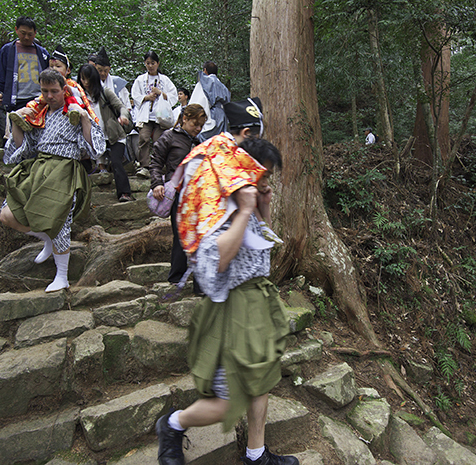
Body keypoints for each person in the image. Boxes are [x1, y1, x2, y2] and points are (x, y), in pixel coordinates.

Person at [155, 98, 298, 465]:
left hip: (257, 300)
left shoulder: (247, 191)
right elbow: (217, 260)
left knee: (263, 379)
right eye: (263, 176)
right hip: (231, 306)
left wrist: (262, 203)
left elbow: (263, 236)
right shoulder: (218, 200)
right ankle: (172, 424)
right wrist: (247, 209)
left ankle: (256, 454)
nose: (265, 183)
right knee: (227, 399)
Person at [0, 68, 105, 292]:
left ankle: (62, 276)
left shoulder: (76, 111)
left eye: (54, 91)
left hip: (65, 169)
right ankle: (46, 238)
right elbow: (24, 150)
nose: (49, 96)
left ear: (63, 90)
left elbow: (95, 149)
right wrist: (17, 122)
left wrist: (84, 117)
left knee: (58, 223)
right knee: (7, 215)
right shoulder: (39, 113)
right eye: (44, 91)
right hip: (38, 167)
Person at [150, 104, 207, 284]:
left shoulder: (199, 142)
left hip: (197, 196)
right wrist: (157, 183)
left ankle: (200, 283)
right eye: (195, 124)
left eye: (201, 126)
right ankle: (176, 278)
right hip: (177, 195)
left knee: (200, 236)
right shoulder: (169, 137)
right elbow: (156, 161)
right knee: (180, 234)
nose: (198, 129)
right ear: (185, 119)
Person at [78, 64, 135, 202]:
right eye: (82, 79)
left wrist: (124, 116)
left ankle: (124, 193)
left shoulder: (105, 92)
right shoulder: (80, 97)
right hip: (95, 137)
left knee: (116, 162)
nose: (85, 83)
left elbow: (121, 106)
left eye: (88, 79)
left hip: (114, 134)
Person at [8, 45, 98, 132]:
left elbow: (79, 94)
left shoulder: (70, 83)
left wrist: (67, 88)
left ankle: (74, 114)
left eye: (58, 66)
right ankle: (27, 120)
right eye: (51, 66)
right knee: (33, 105)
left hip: (68, 106)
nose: (54, 69)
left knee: (73, 102)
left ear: (68, 70)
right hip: (49, 109)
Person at [0, 16, 50, 112]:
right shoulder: (7, 50)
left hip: (39, 99)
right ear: (16, 30)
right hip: (17, 99)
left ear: (35, 33)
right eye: (23, 33)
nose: (26, 37)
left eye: (30, 34)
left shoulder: (42, 53)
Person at [131, 50, 178, 178]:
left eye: (153, 63)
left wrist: (161, 93)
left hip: (160, 116)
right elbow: (135, 95)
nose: (150, 66)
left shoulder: (165, 80)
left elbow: (174, 97)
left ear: (157, 63)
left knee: (159, 141)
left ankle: (157, 165)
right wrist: (147, 97)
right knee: (144, 139)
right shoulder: (140, 79)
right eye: (148, 63)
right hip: (146, 116)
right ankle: (144, 166)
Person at [189, 61, 231, 142]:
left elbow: (198, 103)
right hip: (223, 118)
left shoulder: (206, 83)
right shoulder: (223, 87)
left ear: (205, 70)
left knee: (205, 143)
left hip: (211, 115)